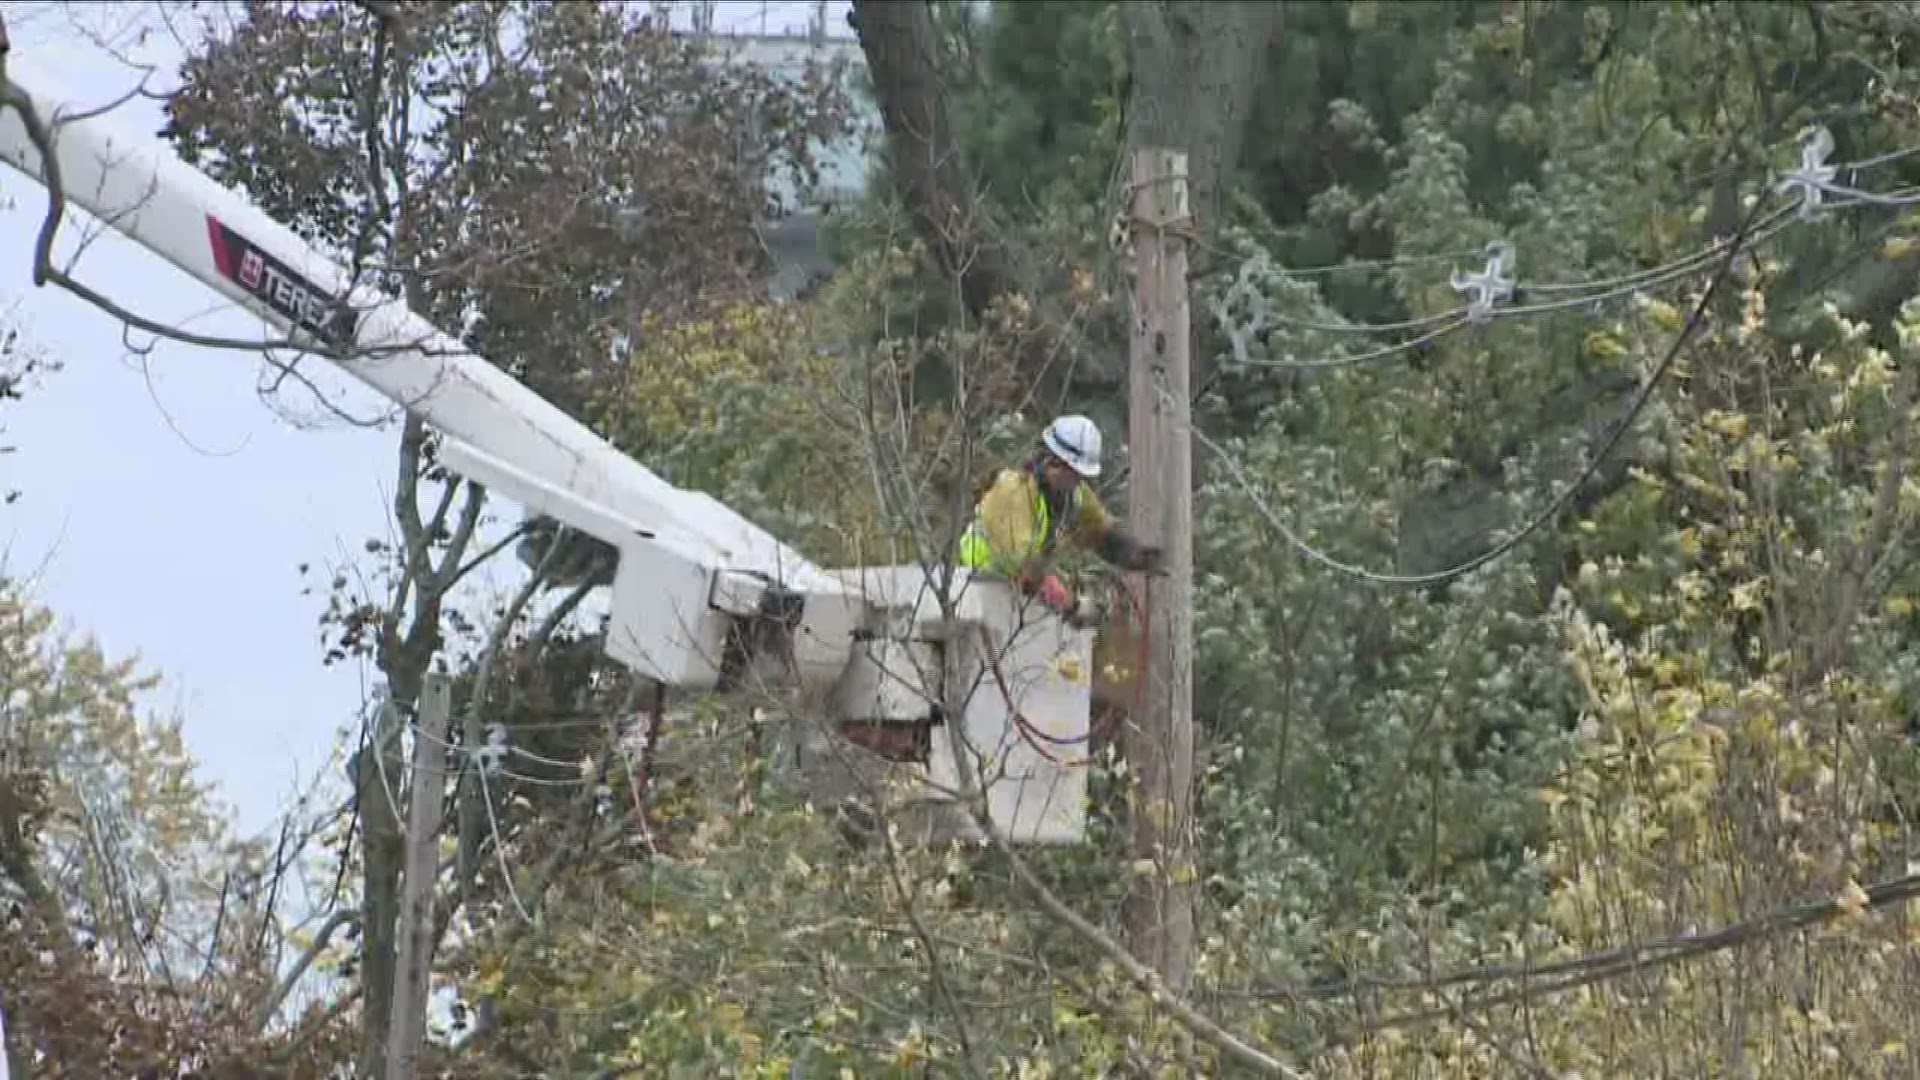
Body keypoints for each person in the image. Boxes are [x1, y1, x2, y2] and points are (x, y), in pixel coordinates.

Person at [956, 414, 1164, 624]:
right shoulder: (1013, 490)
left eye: (1080, 475)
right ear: (1050, 461)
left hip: (1014, 597)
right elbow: (1023, 563)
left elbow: (1098, 531)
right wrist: (1070, 603)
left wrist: (1132, 553)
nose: (1076, 481)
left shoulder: (1072, 494)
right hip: (975, 588)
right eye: (1072, 473)